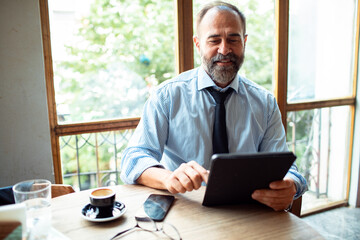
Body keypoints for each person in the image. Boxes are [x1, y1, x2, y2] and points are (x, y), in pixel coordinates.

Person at [121, 1, 307, 211]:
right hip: (186, 210)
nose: (224, 49)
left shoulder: (265, 103)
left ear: (244, 42)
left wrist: (291, 185)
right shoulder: (167, 97)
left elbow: (286, 167)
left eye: (233, 39)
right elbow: (132, 159)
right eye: (214, 40)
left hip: (249, 212)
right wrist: (168, 178)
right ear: (198, 44)